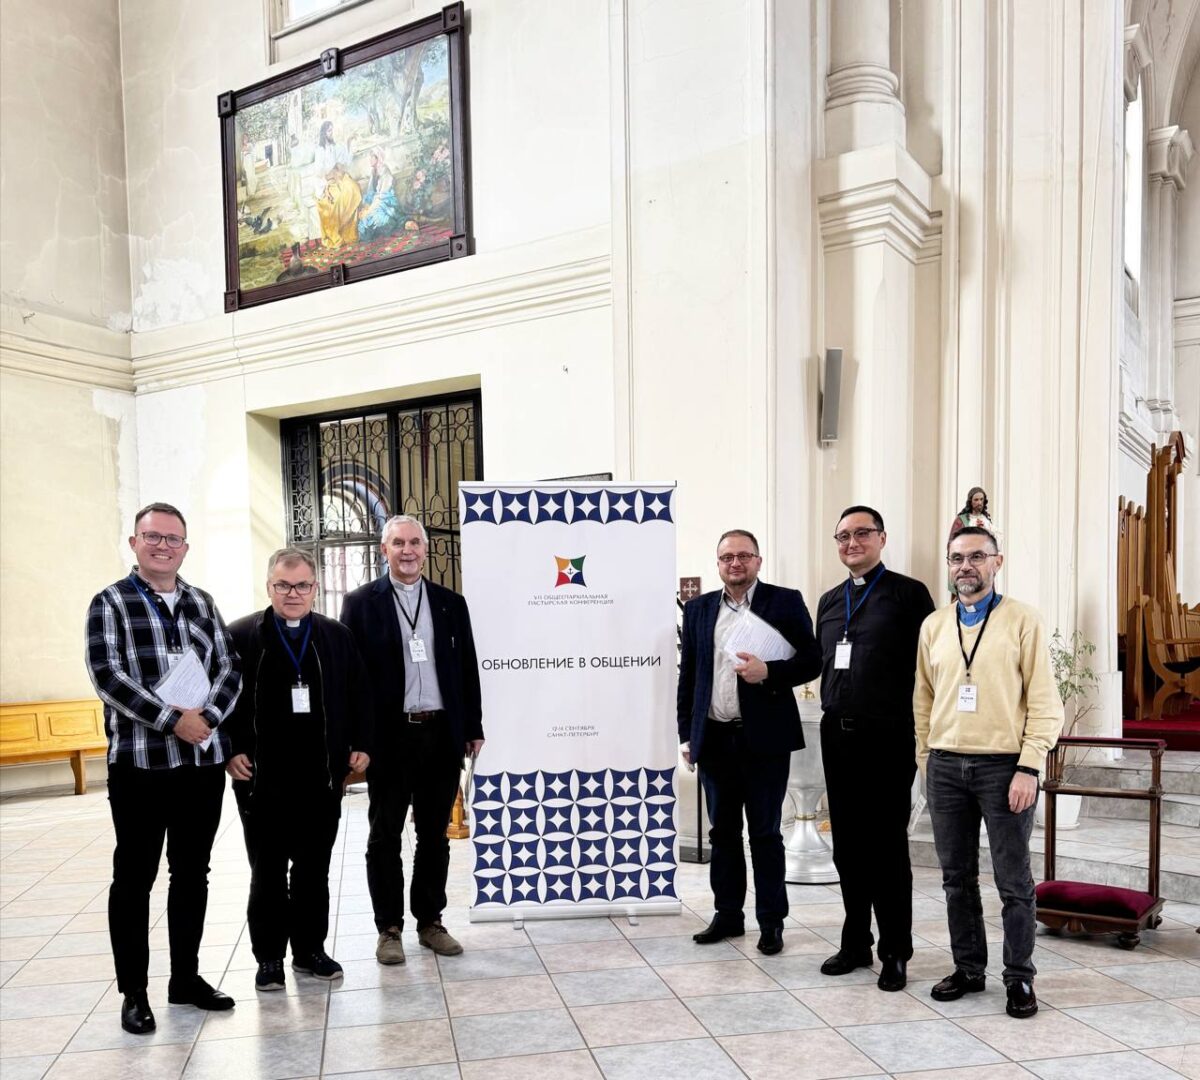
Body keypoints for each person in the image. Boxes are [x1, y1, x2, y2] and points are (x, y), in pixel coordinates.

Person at [85, 502, 242, 1035]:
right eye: (152, 537)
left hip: (201, 764)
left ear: (185, 548)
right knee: (134, 878)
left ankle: (186, 979)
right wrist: (173, 720)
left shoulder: (202, 602)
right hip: (140, 766)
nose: (163, 546)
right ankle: (134, 992)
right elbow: (107, 674)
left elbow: (230, 667)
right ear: (134, 542)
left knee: (192, 874)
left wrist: (208, 719)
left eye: (173, 539)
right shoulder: (111, 602)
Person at [914, 526, 1063, 1019]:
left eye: (977, 556)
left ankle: (1019, 977)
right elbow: (923, 700)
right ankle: (968, 969)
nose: (966, 566)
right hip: (945, 766)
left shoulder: (1023, 620)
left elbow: (1045, 703)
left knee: (1013, 881)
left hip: (1004, 768)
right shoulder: (934, 625)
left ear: (997, 562)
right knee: (956, 879)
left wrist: (1029, 766)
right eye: (957, 558)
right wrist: (926, 760)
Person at [225, 548, 373, 992]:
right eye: (283, 585)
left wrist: (362, 744)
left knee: (313, 870)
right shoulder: (241, 635)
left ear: (315, 587)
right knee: (267, 873)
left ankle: (310, 951)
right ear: (269, 586)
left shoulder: (336, 636)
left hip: (320, 777)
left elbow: (359, 693)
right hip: (261, 778)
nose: (293, 593)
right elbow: (223, 700)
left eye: (302, 585)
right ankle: (269, 958)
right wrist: (231, 749)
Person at [340, 515, 484, 963]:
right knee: (384, 835)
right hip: (388, 737)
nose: (407, 551)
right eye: (398, 543)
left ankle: (430, 922)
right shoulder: (360, 604)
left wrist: (473, 727)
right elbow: (351, 679)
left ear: (425, 549)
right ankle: (388, 928)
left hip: (441, 733)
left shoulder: (450, 603)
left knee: (434, 835)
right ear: (384, 550)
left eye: (415, 543)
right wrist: (356, 739)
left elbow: (467, 668)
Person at [678, 529, 822, 956]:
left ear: (758, 561)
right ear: (718, 564)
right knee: (722, 833)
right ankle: (727, 915)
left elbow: (812, 661)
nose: (735, 563)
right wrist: (687, 734)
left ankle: (771, 922)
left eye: (744, 556)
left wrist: (770, 672)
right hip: (715, 739)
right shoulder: (699, 609)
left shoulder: (784, 601)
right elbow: (690, 676)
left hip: (765, 740)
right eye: (727, 557)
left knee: (764, 833)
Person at [815, 506, 935, 991]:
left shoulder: (909, 594)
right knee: (847, 846)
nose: (851, 542)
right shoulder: (828, 600)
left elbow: (932, 665)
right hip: (836, 734)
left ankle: (895, 951)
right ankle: (855, 942)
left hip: (887, 734)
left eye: (861, 533)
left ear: (882, 538)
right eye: (842, 536)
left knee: (886, 847)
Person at [358, 148, 401, 242]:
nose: (370, 160)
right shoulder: (373, 171)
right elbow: (370, 191)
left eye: (372, 157)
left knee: (374, 215)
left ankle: (388, 227)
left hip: (386, 201)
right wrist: (366, 206)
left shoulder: (385, 171)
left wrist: (369, 210)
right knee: (363, 219)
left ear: (378, 158)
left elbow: (382, 194)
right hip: (376, 200)